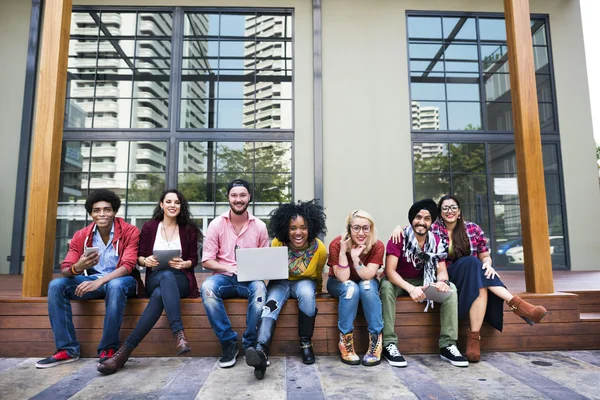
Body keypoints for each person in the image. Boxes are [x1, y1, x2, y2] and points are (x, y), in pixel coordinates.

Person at [423, 195, 546, 362]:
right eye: (445, 208)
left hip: (472, 278)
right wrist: (397, 229)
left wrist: (488, 264)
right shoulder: (434, 230)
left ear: (459, 211)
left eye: (453, 207)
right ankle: (519, 306)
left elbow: (485, 256)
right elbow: (414, 227)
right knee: (472, 262)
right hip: (448, 278)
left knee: (479, 275)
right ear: (440, 212)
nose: (449, 211)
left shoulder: (472, 229)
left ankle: (474, 338)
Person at [98, 189, 202, 374]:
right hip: (155, 277)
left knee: (163, 289)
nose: (172, 205)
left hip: (182, 280)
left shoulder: (189, 229)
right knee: (164, 278)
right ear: (161, 204)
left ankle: (124, 352)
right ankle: (178, 333)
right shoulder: (149, 227)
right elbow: (139, 256)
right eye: (168, 201)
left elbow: (194, 259)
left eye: (176, 202)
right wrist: (145, 261)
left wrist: (184, 263)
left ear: (181, 206)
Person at [36, 189, 141, 369]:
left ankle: (108, 349)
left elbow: (128, 265)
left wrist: (100, 281)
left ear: (114, 211)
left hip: (123, 280)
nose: (102, 214)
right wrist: (79, 267)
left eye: (107, 209)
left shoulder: (130, 231)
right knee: (56, 285)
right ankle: (67, 349)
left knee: (115, 285)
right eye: (97, 210)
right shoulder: (81, 235)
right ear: (91, 213)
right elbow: (66, 270)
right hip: (91, 280)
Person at [381, 199, 468, 368]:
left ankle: (448, 345)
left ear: (431, 222)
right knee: (385, 286)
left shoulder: (436, 241)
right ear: (412, 219)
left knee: (451, 289)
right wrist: (411, 288)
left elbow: (441, 270)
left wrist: (442, 282)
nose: (421, 222)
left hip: (424, 281)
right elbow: (390, 271)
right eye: (418, 217)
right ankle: (389, 344)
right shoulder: (399, 237)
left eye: (427, 218)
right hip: (399, 281)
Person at [245, 200, 327, 379]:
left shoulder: (320, 248)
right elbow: (271, 269)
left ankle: (306, 343)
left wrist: (318, 291)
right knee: (270, 305)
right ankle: (261, 350)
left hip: (305, 281)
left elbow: (319, 272)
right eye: (293, 228)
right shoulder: (277, 243)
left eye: (303, 227)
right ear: (285, 229)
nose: (298, 232)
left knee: (307, 295)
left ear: (311, 228)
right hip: (280, 282)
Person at [201, 178, 269, 368]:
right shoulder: (216, 225)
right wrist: (227, 268)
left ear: (249, 197)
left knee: (260, 290)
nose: (238, 199)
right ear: (228, 198)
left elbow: (265, 259)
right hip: (224, 277)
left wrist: (261, 276)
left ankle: (250, 345)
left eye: (242, 195)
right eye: (234, 195)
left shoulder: (260, 226)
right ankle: (229, 343)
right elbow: (207, 260)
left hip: (250, 279)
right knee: (207, 288)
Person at [326, 210, 385, 366]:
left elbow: (368, 275)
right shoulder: (336, 244)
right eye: (356, 228)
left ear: (371, 229)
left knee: (366, 287)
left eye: (366, 228)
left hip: (365, 279)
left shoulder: (377, 245)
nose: (361, 233)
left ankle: (375, 340)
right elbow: (343, 277)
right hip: (338, 282)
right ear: (349, 229)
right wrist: (345, 253)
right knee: (351, 288)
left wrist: (355, 258)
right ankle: (345, 340)